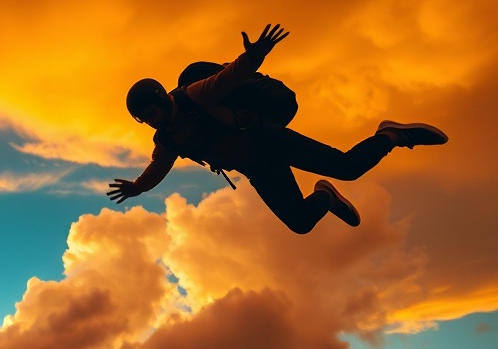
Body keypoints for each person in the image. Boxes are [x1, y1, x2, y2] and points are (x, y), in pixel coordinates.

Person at [107, 24, 448, 234]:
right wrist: (138, 188)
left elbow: (229, 78)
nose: (150, 120)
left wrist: (254, 56)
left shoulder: (193, 96)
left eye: (150, 112)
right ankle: (326, 196)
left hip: (266, 139)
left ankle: (392, 135)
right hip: (257, 168)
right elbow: (157, 167)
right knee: (300, 222)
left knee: (349, 167)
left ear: (161, 100)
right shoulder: (166, 139)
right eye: (143, 119)